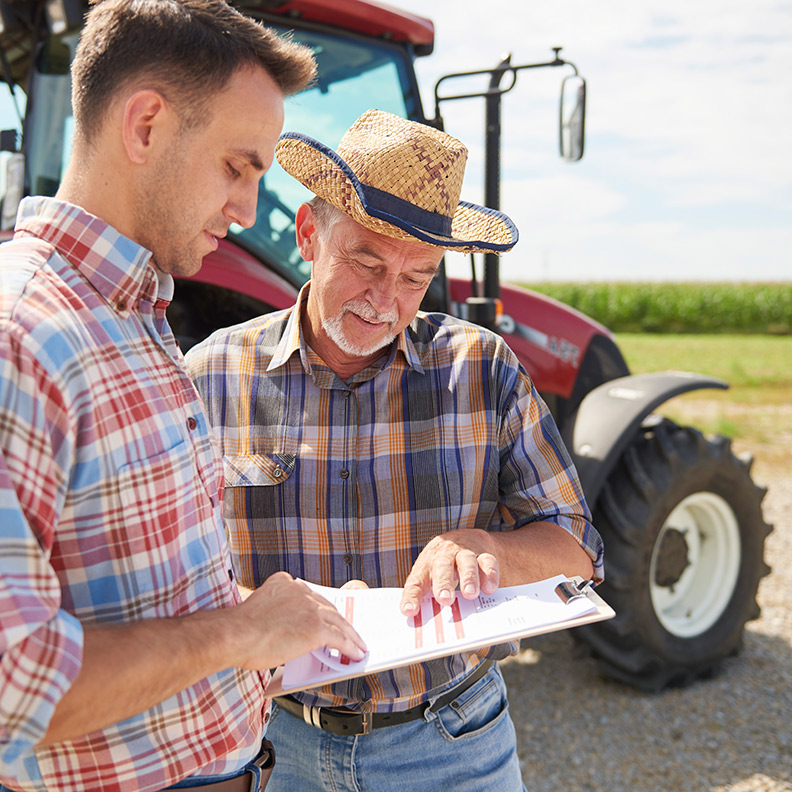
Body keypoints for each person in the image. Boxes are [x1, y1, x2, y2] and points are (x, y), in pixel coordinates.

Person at [0, 3, 367, 792]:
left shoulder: (134, 314)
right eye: (238, 167)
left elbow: (124, 580)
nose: (243, 211)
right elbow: (11, 689)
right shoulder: (22, 334)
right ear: (146, 126)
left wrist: (264, 618)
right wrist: (239, 630)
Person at [185, 109, 604, 792]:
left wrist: (490, 549)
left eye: (417, 277)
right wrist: (247, 613)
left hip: (452, 739)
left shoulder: (483, 367)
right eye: (366, 261)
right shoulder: (210, 375)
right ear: (308, 234)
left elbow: (578, 547)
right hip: (270, 738)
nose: (386, 301)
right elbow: (163, 569)